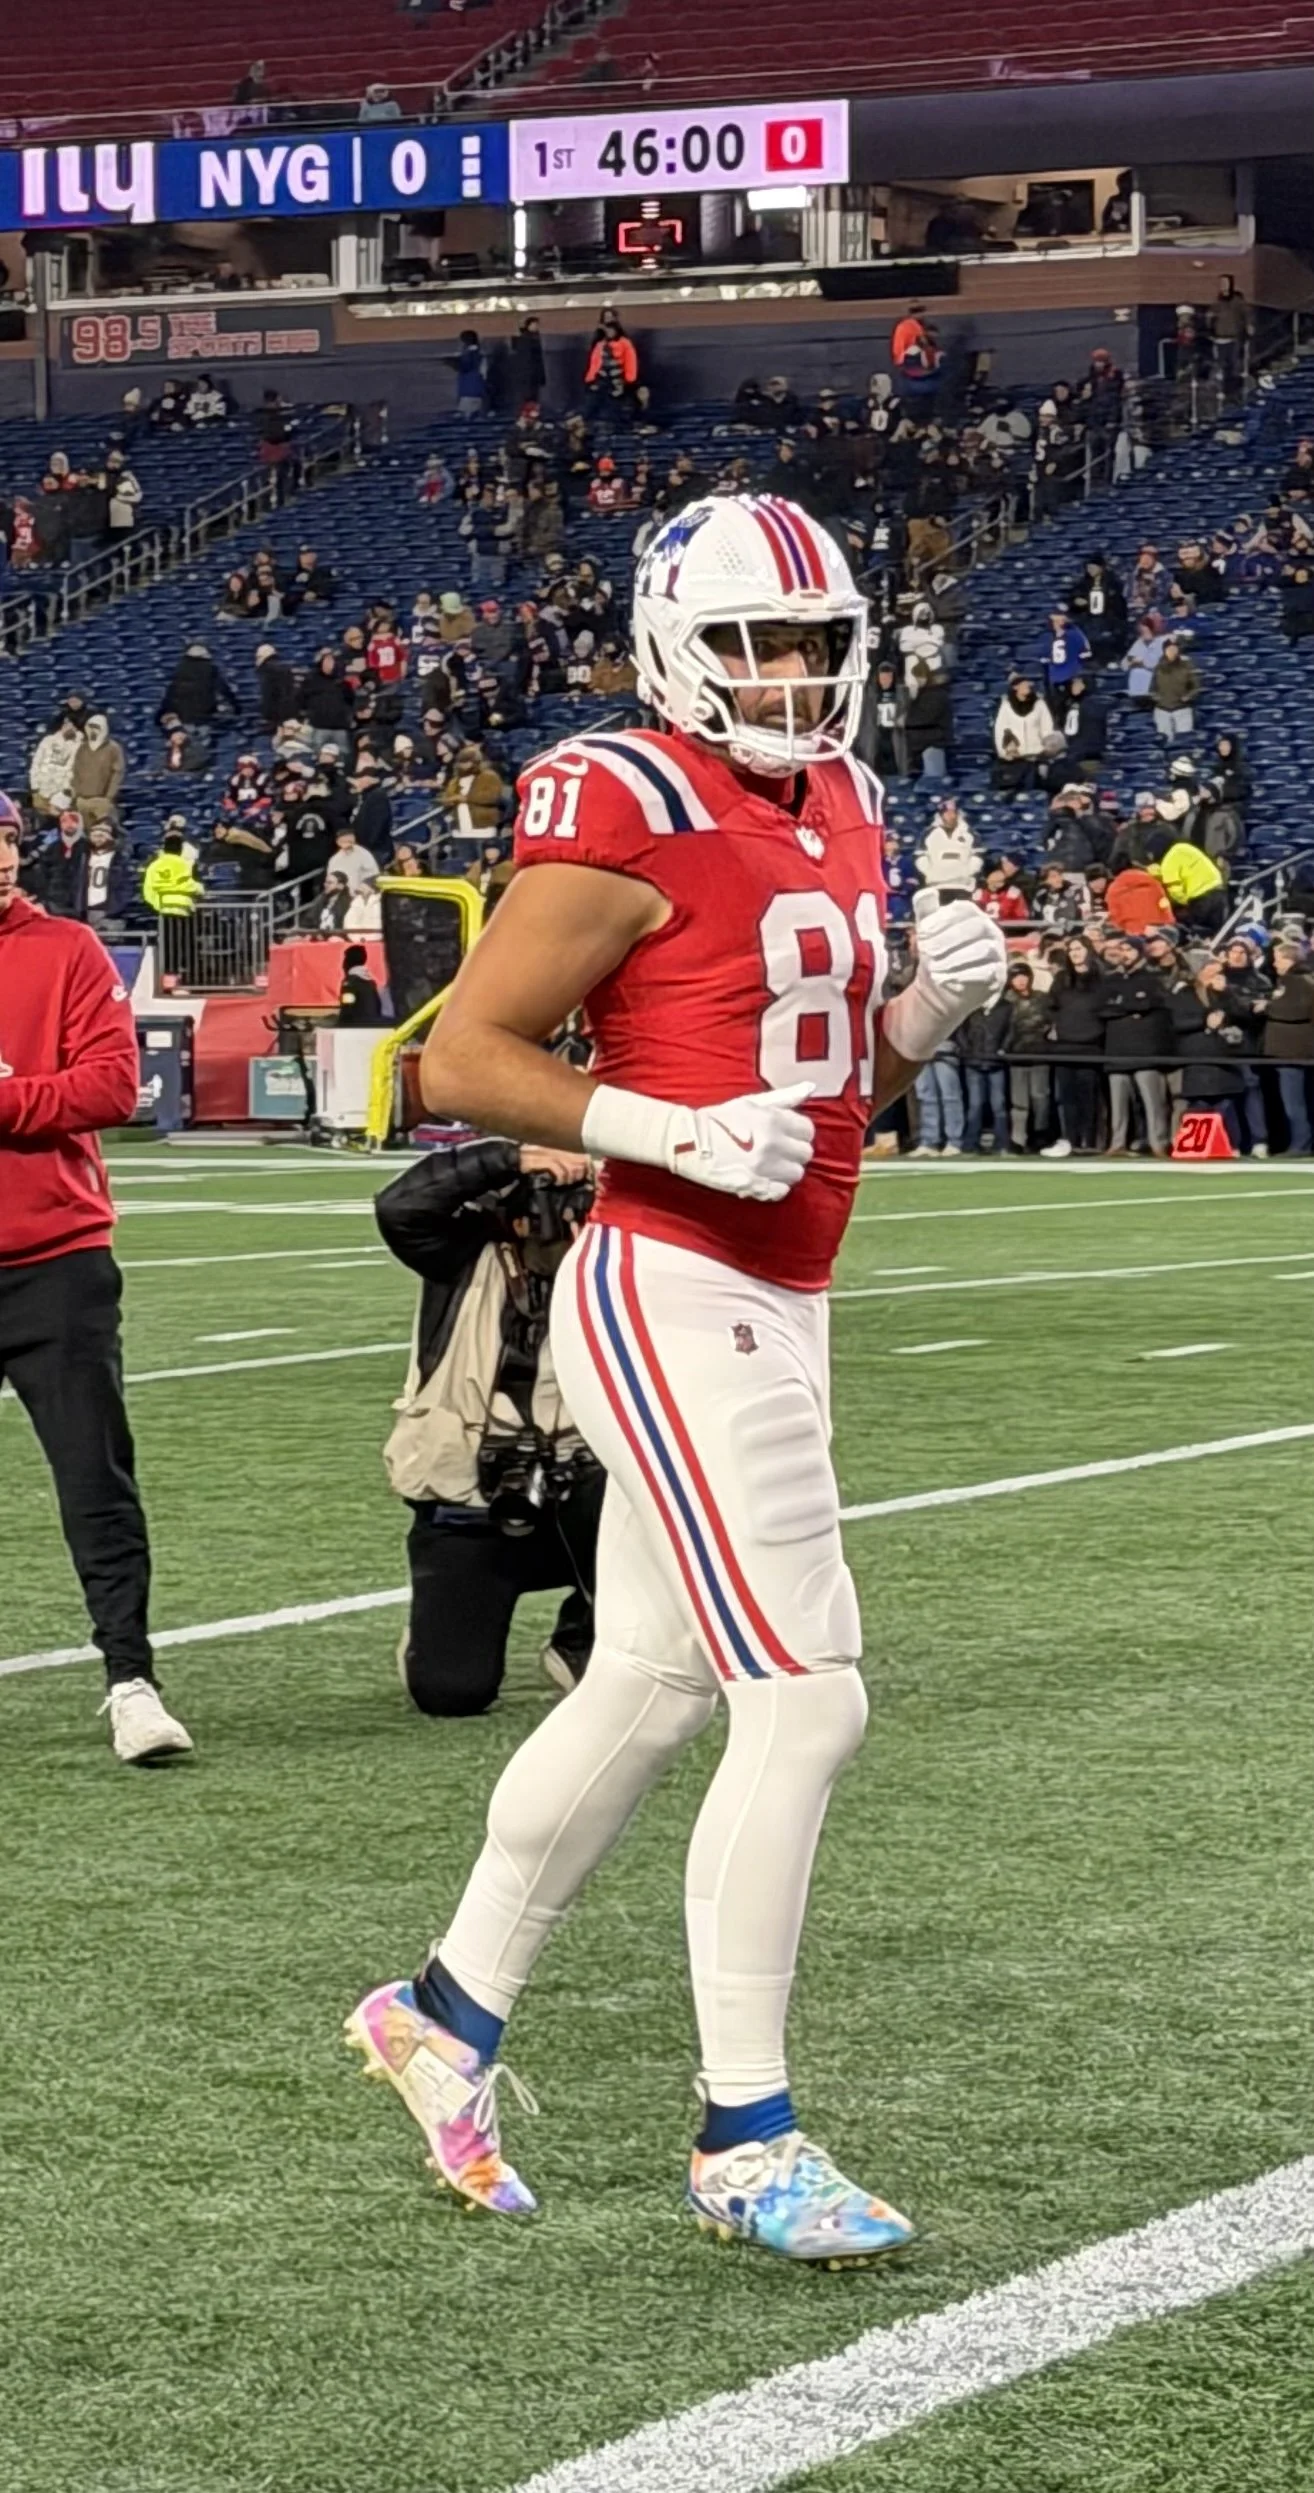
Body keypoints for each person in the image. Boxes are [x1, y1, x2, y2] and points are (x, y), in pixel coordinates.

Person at [345, 492, 1006, 2256]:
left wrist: (922, 1022)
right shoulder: (620, 794)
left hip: (779, 1282)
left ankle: (442, 2010)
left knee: (644, 1678)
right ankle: (742, 2132)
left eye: (809, 644)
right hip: (667, 1276)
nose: (786, 677)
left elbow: (818, 1094)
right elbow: (463, 1060)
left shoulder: (848, 800)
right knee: (807, 1692)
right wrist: (654, 1124)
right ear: (671, 648)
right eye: (747, 645)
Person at [0, 794, 191, 1764]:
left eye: (2, 841)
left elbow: (114, 1088)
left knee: (93, 1478)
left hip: (54, 1260)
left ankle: (130, 1678)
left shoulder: (67, 949)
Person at [376, 1138, 602, 1716]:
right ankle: (436, 1636)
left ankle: (585, 1636)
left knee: (662, 1502)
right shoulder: (461, 1256)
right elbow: (400, 1207)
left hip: (582, 1493)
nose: (560, 1232)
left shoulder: (616, 1265)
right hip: (473, 1505)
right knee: (452, 1693)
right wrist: (507, 1160)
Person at [1098, 936, 1173, 1155]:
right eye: (1121, 949)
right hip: (1117, 1048)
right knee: (1118, 1104)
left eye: (1129, 949)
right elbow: (1103, 1009)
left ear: (1140, 952)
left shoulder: (1153, 978)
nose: (1124, 954)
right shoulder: (1110, 980)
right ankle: (1117, 1143)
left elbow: (1152, 1003)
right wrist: (1132, 1007)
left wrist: (1122, 1005)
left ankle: (1158, 1142)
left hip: (1146, 1048)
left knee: (1153, 1102)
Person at [1041, 934, 1105, 1156]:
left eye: (1079, 948)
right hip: (1064, 1046)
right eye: (1071, 950)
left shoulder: (1101, 978)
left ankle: (1088, 1141)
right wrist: (1053, 1026)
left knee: (1088, 1095)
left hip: (1090, 1045)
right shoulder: (1062, 980)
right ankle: (1070, 1138)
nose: (1075, 953)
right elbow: (1051, 1007)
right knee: (1066, 1097)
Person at [1262, 936, 1314, 1154]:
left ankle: (1300, 1144)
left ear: (1290, 960)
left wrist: (1268, 1007)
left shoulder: (1298, 981)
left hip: (1294, 1051)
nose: (1274, 964)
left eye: (1278, 959)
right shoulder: (1297, 980)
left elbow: (1298, 1009)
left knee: (1294, 1102)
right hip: (1293, 1050)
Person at [70, 713, 125, 827]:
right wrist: (76, 795)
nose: (93, 731)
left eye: (96, 727)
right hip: (82, 801)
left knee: (104, 830)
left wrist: (109, 797)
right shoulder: (82, 748)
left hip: (102, 800)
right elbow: (76, 771)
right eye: (90, 727)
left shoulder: (113, 748)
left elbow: (117, 773)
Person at [1150, 637, 1201, 741]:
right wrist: (1156, 697)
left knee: (1184, 740)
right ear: (1164, 651)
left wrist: (1188, 696)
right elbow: (1152, 688)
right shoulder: (1158, 668)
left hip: (1182, 709)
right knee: (1164, 740)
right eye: (1169, 649)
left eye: (1175, 649)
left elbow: (1196, 687)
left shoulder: (1187, 666)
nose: (1172, 652)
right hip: (1162, 710)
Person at [337, 941, 386, 1027]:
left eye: (344, 960)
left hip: (356, 1027)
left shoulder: (350, 983)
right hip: (373, 1025)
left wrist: (338, 1025)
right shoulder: (371, 982)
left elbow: (347, 1008)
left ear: (347, 962)